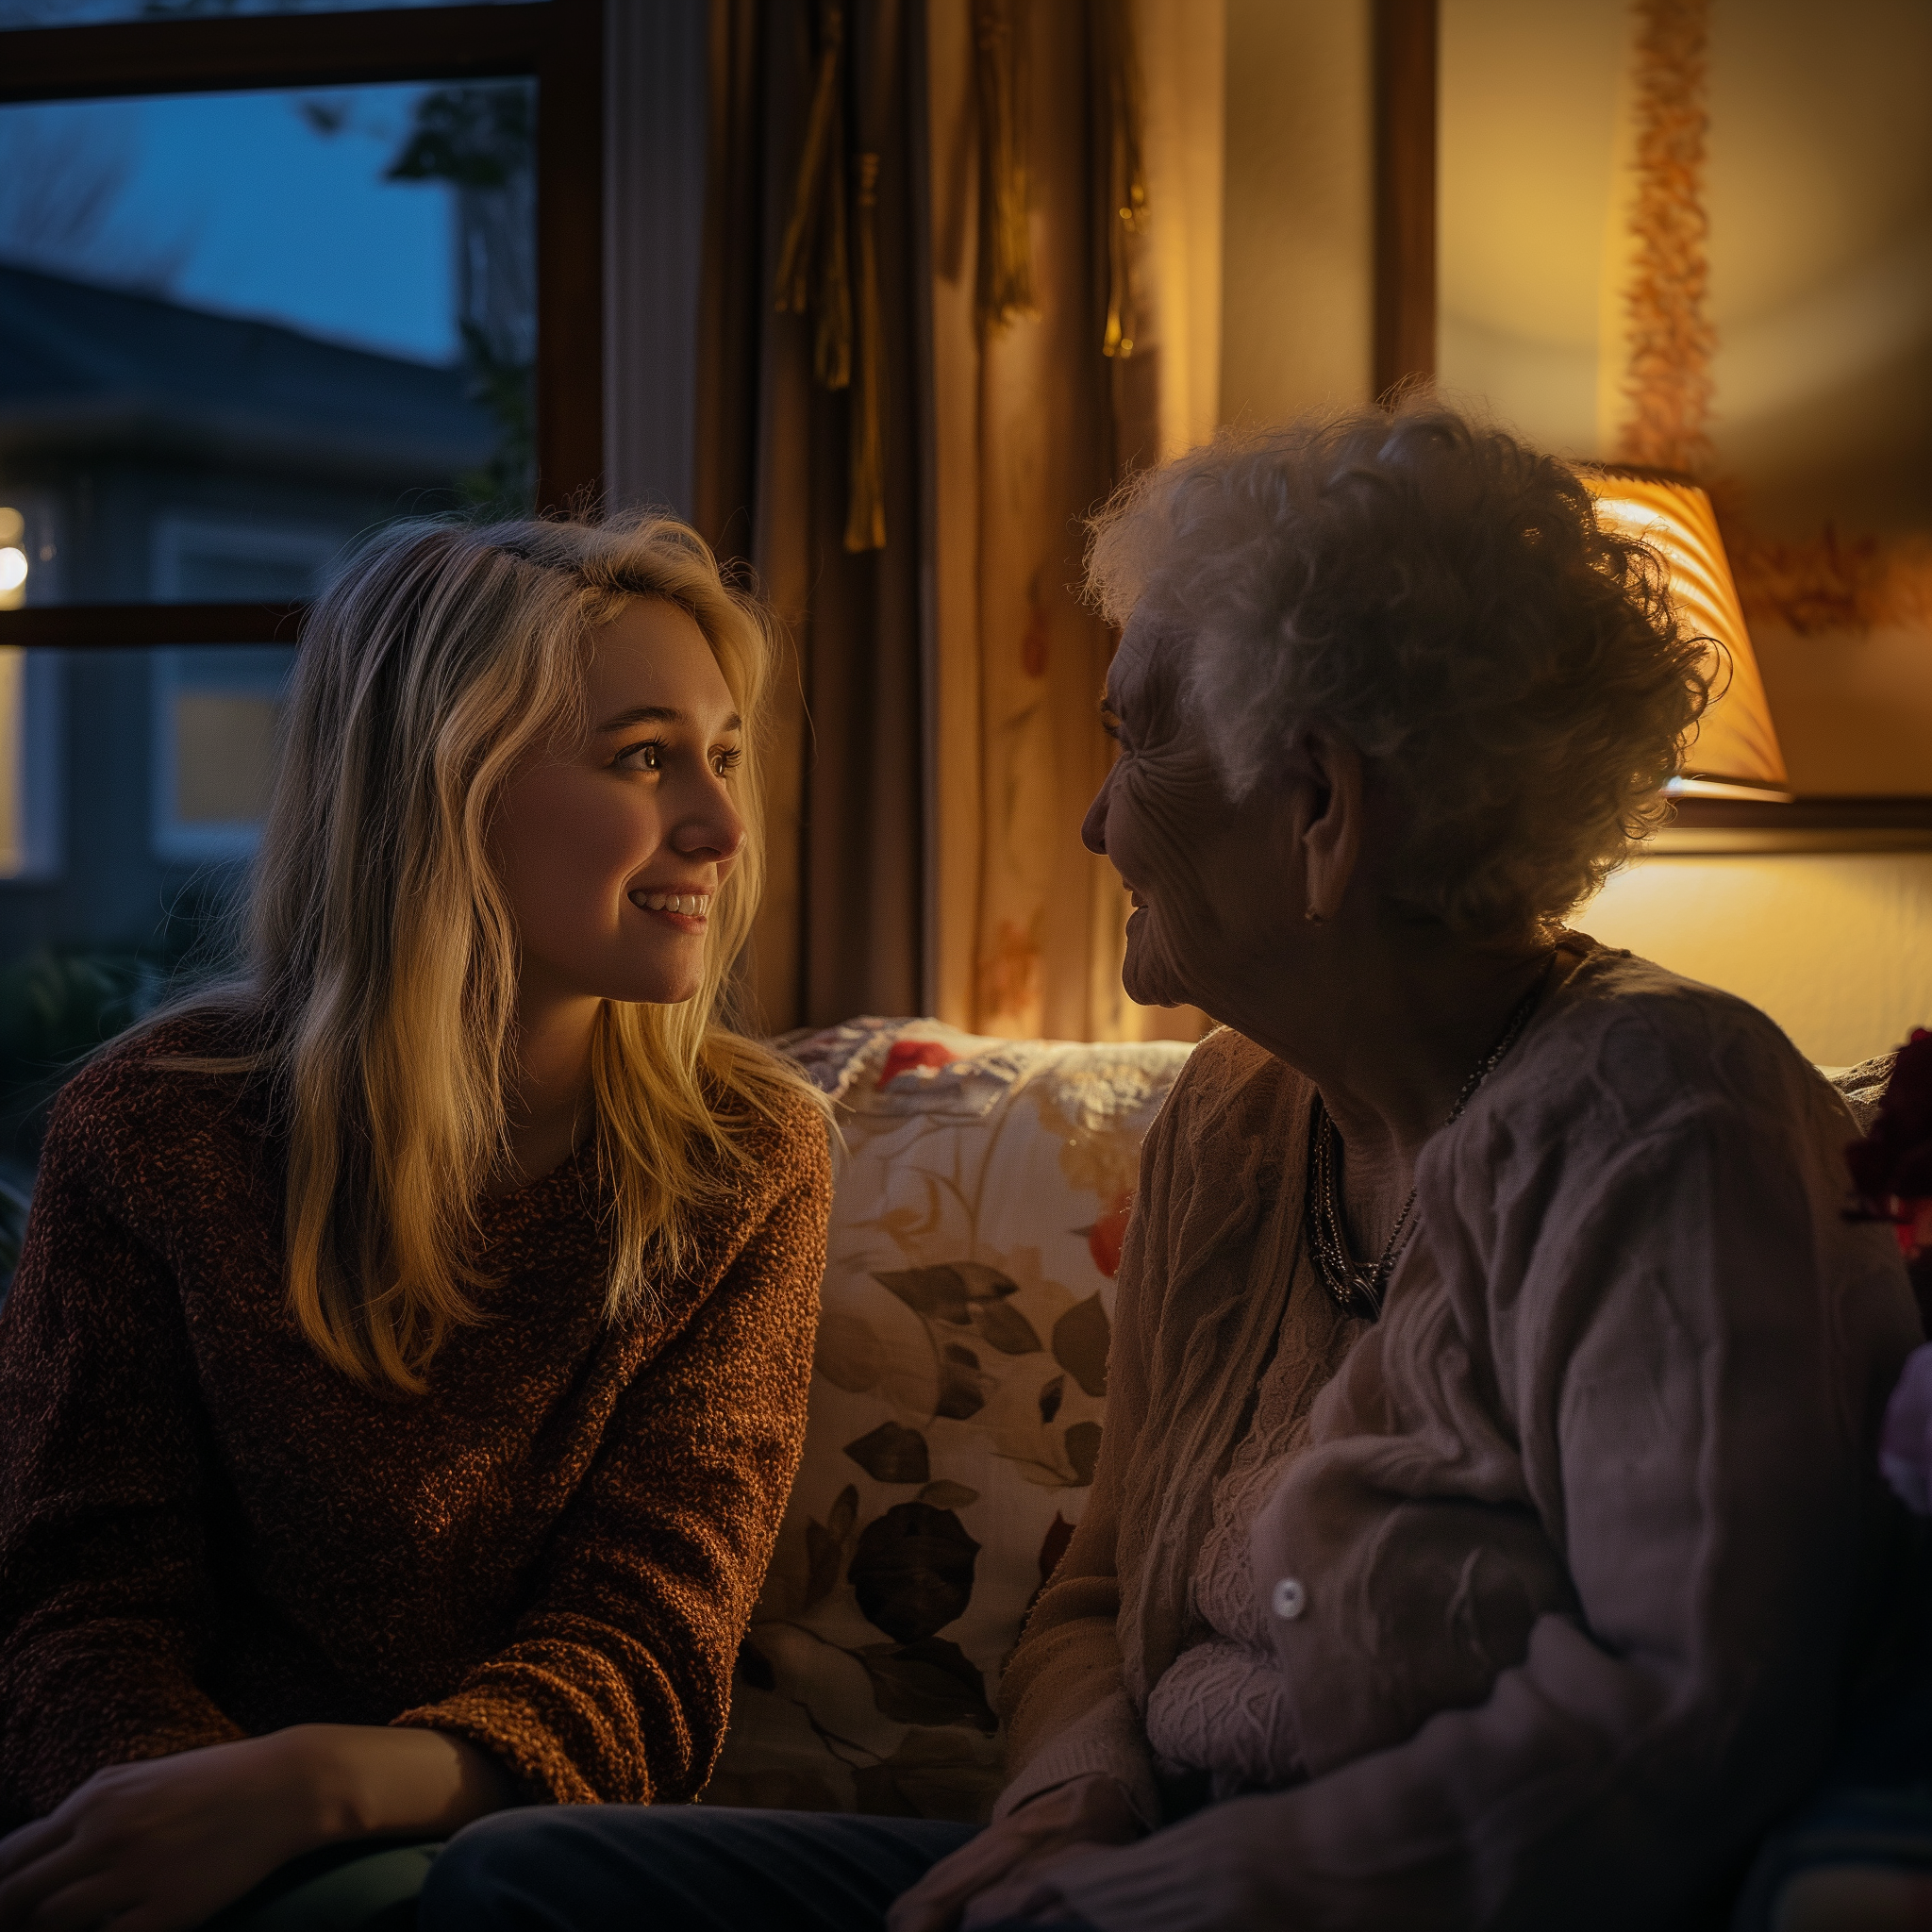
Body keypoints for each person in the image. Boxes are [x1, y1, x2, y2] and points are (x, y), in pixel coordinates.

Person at [420, 405, 1922, 1932]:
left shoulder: (1664, 1117)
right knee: (533, 1882)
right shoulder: (1237, 1116)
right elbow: (1091, 1598)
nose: (1094, 816)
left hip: (1419, 1898)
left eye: (1138, 741)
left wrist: (1194, 1893)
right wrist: (1072, 1809)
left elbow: (1689, 1709)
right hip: (1151, 1873)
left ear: (1321, 808)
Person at [0, 512, 832, 1931]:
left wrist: (321, 1790)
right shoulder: (154, 1132)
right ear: (445, 787)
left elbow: (649, 1643)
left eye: (727, 753)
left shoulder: (745, 1159)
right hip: (166, 1836)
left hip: (529, 1855)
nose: (723, 826)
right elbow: (81, 1604)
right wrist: (195, 1822)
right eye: (646, 757)